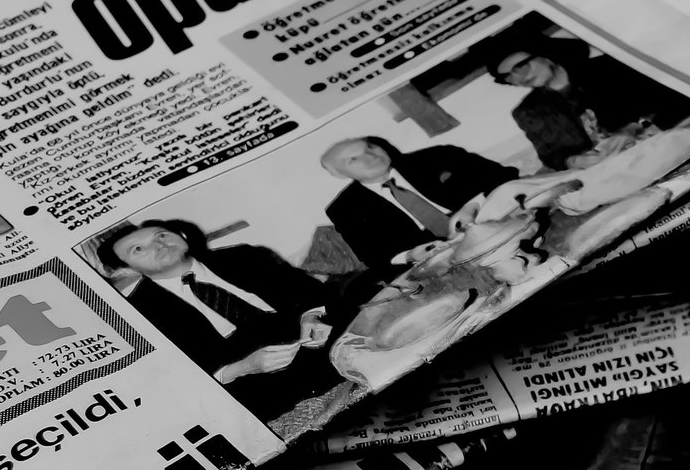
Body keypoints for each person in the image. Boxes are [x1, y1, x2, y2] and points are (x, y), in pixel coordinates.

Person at [97, 220, 336, 421]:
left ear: (180, 235)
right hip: (259, 383)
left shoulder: (242, 255)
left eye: (161, 235)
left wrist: (312, 315)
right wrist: (244, 368)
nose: (158, 244)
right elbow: (183, 380)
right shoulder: (139, 314)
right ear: (127, 270)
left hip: (317, 342)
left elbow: (308, 290)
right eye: (138, 249)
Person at [484, 35, 690, 171]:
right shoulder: (528, 111)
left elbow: (675, 100)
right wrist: (573, 161)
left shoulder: (609, 68)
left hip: (674, 146)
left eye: (520, 66)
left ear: (543, 53)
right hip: (615, 172)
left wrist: (637, 127)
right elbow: (551, 155)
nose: (518, 77)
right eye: (508, 76)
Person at [322, 136, 519, 270]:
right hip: (445, 260)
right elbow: (373, 257)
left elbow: (505, 175)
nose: (371, 157)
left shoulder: (438, 156)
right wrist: (410, 255)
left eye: (370, 147)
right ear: (338, 174)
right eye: (354, 159)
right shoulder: (344, 209)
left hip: (499, 223)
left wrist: (473, 205)